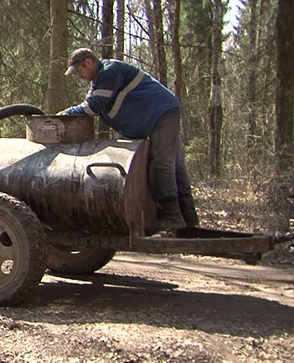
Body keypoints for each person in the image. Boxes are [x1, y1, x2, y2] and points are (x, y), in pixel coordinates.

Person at [59, 48, 199, 234]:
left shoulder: (110, 71)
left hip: (161, 113)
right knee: (174, 165)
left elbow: (94, 106)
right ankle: (188, 218)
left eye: (79, 71)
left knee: (162, 164)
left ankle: (172, 218)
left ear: (89, 62)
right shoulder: (99, 79)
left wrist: (68, 113)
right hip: (154, 117)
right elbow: (93, 102)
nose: (79, 76)